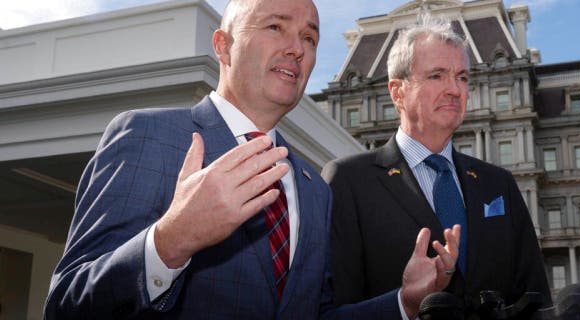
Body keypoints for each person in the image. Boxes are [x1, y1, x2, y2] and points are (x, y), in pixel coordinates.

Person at [44, 1, 459, 319]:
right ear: (223, 46)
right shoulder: (145, 135)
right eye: (275, 27)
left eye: (310, 38)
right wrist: (170, 241)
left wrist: (403, 303)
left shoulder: (315, 188)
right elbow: (67, 303)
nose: (296, 48)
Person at [322, 14, 552, 314]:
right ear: (397, 92)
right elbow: (327, 312)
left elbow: (536, 299)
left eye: (462, 77)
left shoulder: (499, 185)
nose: (455, 90)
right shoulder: (348, 181)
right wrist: (404, 304)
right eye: (437, 76)